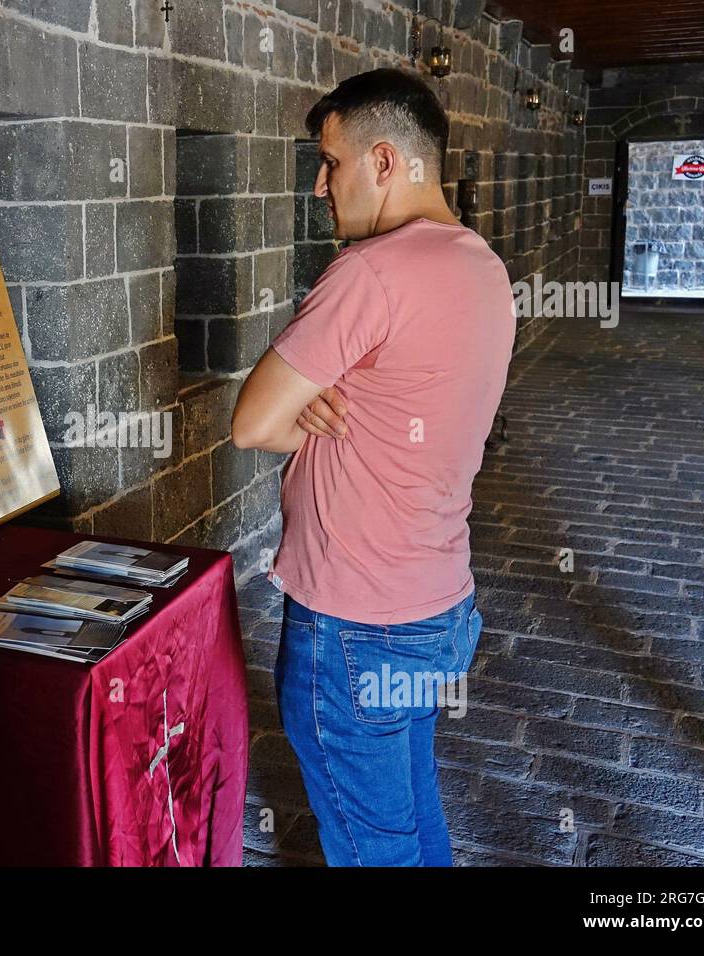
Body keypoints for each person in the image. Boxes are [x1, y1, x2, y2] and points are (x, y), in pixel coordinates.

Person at [230, 68, 515, 866]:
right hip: (437, 606)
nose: (322, 187)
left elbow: (252, 423)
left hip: (355, 624)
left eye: (331, 163)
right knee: (414, 815)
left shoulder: (369, 273)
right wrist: (322, 415)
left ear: (385, 162)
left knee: (369, 848)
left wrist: (306, 417)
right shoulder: (484, 269)